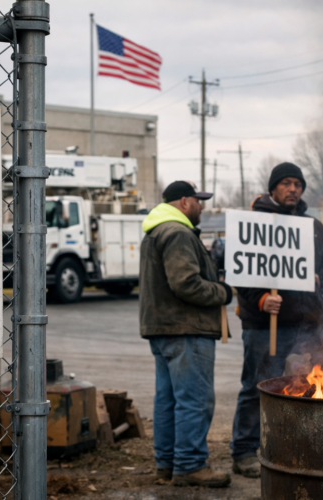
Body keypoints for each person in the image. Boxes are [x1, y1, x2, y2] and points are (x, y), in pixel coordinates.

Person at [231, 162, 323, 478]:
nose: (293, 189)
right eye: (286, 183)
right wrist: (262, 298)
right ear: (273, 188)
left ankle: (317, 444)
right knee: (258, 388)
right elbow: (240, 269)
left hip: (310, 323)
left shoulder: (314, 228)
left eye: (298, 184)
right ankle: (243, 452)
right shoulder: (255, 225)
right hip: (266, 326)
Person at [139, 180, 234, 488]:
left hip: (164, 329)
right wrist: (223, 292)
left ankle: (167, 464)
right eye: (198, 201)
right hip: (186, 329)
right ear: (183, 202)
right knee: (194, 399)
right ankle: (191, 465)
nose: (202, 206)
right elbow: (186, 284)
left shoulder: (157, 231)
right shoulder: (178, 233)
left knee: (167, 401)